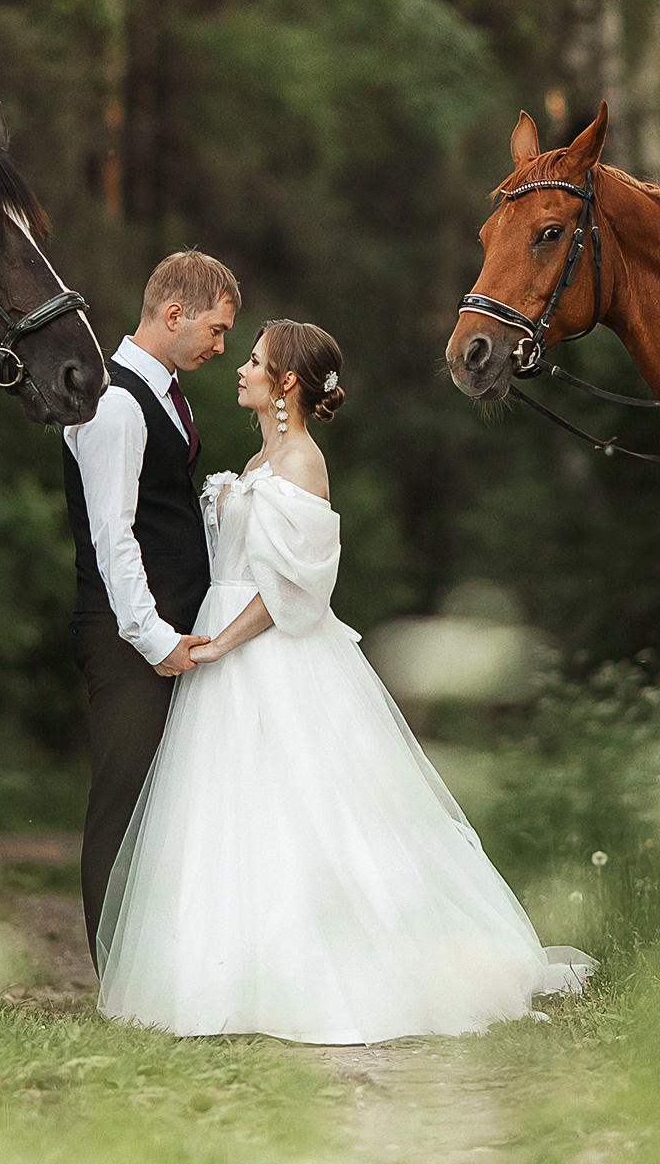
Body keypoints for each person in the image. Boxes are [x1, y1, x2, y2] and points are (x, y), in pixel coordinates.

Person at [95, 318, 592, 1044]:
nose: (241, 368)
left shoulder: (302, 463)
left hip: (270, 652)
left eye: (255, 360)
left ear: (286, 382)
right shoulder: (262, 456)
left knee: (309, 807)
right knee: (232, 808)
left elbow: (297, 587)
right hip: (227, 654)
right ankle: (229, 969)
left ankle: (330, 968)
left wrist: (221, 643)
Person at [62, 250, 240, 955]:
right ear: (173, 314)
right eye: (216, 329)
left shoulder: (163, 393)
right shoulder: (115, 401)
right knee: (123, 806)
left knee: (165, 810)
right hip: (128, 637)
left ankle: (159, 965)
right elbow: (113, 534)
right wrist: (154, 637)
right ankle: (113, 974)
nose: (221, 346)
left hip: (168, 631)